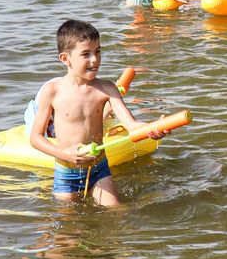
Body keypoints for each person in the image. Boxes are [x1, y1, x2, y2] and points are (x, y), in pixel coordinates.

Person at [29, 20, 170, 205]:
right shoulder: (52, 91)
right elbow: (35, 137)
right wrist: (64, 154)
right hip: (66, 170)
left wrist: (155, 129)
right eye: (86, 54)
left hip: (99, 168)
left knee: (116, 214)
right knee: (67, 224)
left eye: (98, 51)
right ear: (65, 59)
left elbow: (132, 125)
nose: (95, 60)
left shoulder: (106, 88)